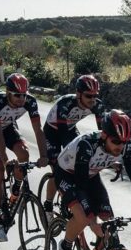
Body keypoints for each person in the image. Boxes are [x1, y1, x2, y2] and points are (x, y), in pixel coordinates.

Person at [54, 110, 131, 250]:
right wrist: (90, 219)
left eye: (125, 142)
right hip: (68, 175)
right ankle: (65, 247)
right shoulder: (87, 145)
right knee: (83, 218)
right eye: (116, 141)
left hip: (91, 175)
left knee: (110, 225)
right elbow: (80, 186)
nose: (120, 146)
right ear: (104, 135)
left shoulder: (124, 146)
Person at [0, 73, 48, 241]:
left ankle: (16, 188)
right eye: (17, 95)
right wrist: (4, 159)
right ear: (8, 92)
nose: (21, 99)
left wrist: (44, 155)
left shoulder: (30, 101)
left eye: (24, 94)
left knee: (24, 152)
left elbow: (38, 130)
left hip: (8, 126)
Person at [42, 74, 106, 213]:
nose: (92, 100)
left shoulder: (97, 105)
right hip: (53, 132)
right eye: (89, 96)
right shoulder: (65, 104)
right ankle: (48, 205)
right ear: (78, 94)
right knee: (58, 168)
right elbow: (63, 135)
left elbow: (103, 134)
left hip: (70, 129)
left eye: (95, 96)